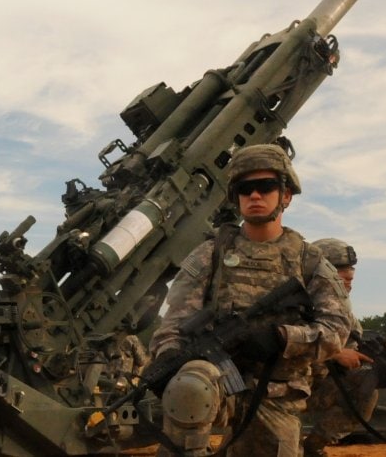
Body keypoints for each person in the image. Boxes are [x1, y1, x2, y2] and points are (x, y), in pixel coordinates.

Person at [148, 143, 351, 456]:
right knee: (188, 387)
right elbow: (175, 322)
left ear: (286, 195)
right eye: (245, 189)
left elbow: (337, 330)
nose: (255, 195)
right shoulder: (210, 254)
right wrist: (168, 354)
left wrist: (282, 337)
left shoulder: (309, 261)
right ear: (236, 196)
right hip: (216, 384)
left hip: (276, 392)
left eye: (266, 186)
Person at [302, 238, 378, 457]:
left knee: (365, 388)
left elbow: (352, 344)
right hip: (280, 389)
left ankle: (313, 447)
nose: (348, 285)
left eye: (350, 279)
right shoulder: (293, 304)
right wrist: (334, 353)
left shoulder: (344, 315)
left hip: (314, 388)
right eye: (342, 279)